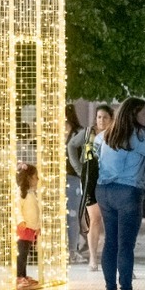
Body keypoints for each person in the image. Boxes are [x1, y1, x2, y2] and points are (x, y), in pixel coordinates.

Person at [94, 97, 145, 290]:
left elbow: (97, 152)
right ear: (134, 114)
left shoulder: (105, 134)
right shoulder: (139, 135)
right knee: (125, 244)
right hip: (127, 191)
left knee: (110, 242)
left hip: (104, 191)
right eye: (144, 113)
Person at [79, 105, 112, 270]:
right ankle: (93, 258)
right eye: (99, 117)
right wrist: (80, 170)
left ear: (111, 119)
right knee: (94, 219)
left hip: (108, 180)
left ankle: (111, 259)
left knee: (111, 220)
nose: (101, 120)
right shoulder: (88, 134)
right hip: (91, 179)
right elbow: (71, 145)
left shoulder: (114, 136)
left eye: (105, 117)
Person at [64, 105, 86, 263]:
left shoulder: (78, 133)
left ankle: (72, 250)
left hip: (72, 178)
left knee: (72, 216)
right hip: (56, 179)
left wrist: (80, 172)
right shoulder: (53, 133)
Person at [14, 162, 41, 290]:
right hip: (24, 228)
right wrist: (20, 221)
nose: (37, 179)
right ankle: (19, 276)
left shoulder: (30, 193)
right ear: (29, 178)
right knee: (22, 253)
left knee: (25, 253)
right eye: (36, 176)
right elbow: (17, 209)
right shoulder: (20, 193)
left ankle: (23, 275)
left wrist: (37, 226)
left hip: (30, 228)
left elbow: (36, 211)